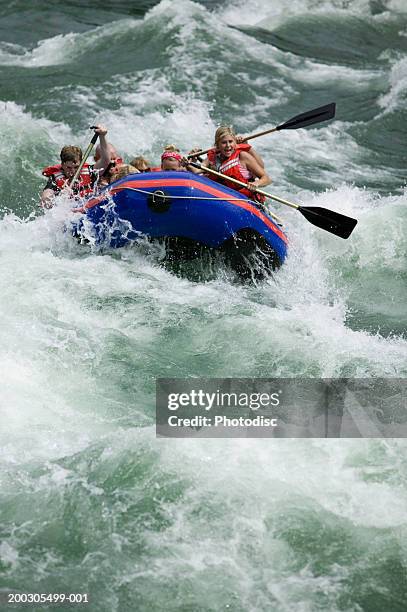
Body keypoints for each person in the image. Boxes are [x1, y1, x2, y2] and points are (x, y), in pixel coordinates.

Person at [41, 125, 110, 208]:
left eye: (76, 167)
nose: (73, 171)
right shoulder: (55, 179)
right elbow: (46, 197)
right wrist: (60, 196)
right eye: (69, 168)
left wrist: (102, 136)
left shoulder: (89, 171)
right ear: (62, 165)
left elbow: (106, 160)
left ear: (81, 163)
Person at [194, 126, 271, 202]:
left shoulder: (242, 156)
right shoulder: (212, 158)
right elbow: (196, 170)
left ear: (235, 143)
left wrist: (256, 183)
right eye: (224, 142)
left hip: (245, 200)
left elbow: (266, 178)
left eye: (230, 142)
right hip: (222, 199)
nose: (228, 146)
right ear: (217, 145)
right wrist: (191, 161)